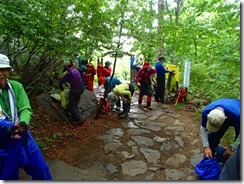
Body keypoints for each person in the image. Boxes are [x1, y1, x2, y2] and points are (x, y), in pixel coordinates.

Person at [0, 54, 52, 180]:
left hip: (22, 134)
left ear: (9, 71)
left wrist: (23, 122)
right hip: (2, 139)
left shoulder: (16, 87)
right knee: (8, 176)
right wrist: (8, 128)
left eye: (3, 70)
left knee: (41, 170)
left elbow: (25, 108)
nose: (0, 74)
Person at [59, 60, 85, 125]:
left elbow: (61, 81)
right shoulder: (76, 70)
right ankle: (75, 117)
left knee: (72, 105)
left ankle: (79, 119)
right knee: (75, 102)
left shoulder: (69, 73)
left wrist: (61, 88)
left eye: (66, 69)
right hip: (81, 88)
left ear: (67, 67)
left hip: (75, 90)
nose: (66, 70)